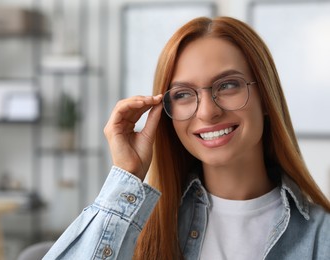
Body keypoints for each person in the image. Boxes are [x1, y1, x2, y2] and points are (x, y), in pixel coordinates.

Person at [43, 16, 330, 260]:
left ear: (266, 98)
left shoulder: (321, 235)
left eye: (228, 85)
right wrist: (126, 174)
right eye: (182, 94)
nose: (207, 112)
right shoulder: (139, 227)